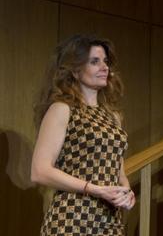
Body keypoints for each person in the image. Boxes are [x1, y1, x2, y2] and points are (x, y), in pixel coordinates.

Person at [31, 35, 135, 235]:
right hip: (72, 220)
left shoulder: (113, 117)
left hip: (110, 222)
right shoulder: (62, 109)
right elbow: (39, 170)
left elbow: (117, 170)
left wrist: (126, 192)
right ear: (76, 71)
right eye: (94, 61)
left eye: (105, 61)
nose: (104, 67)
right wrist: (95, 189)